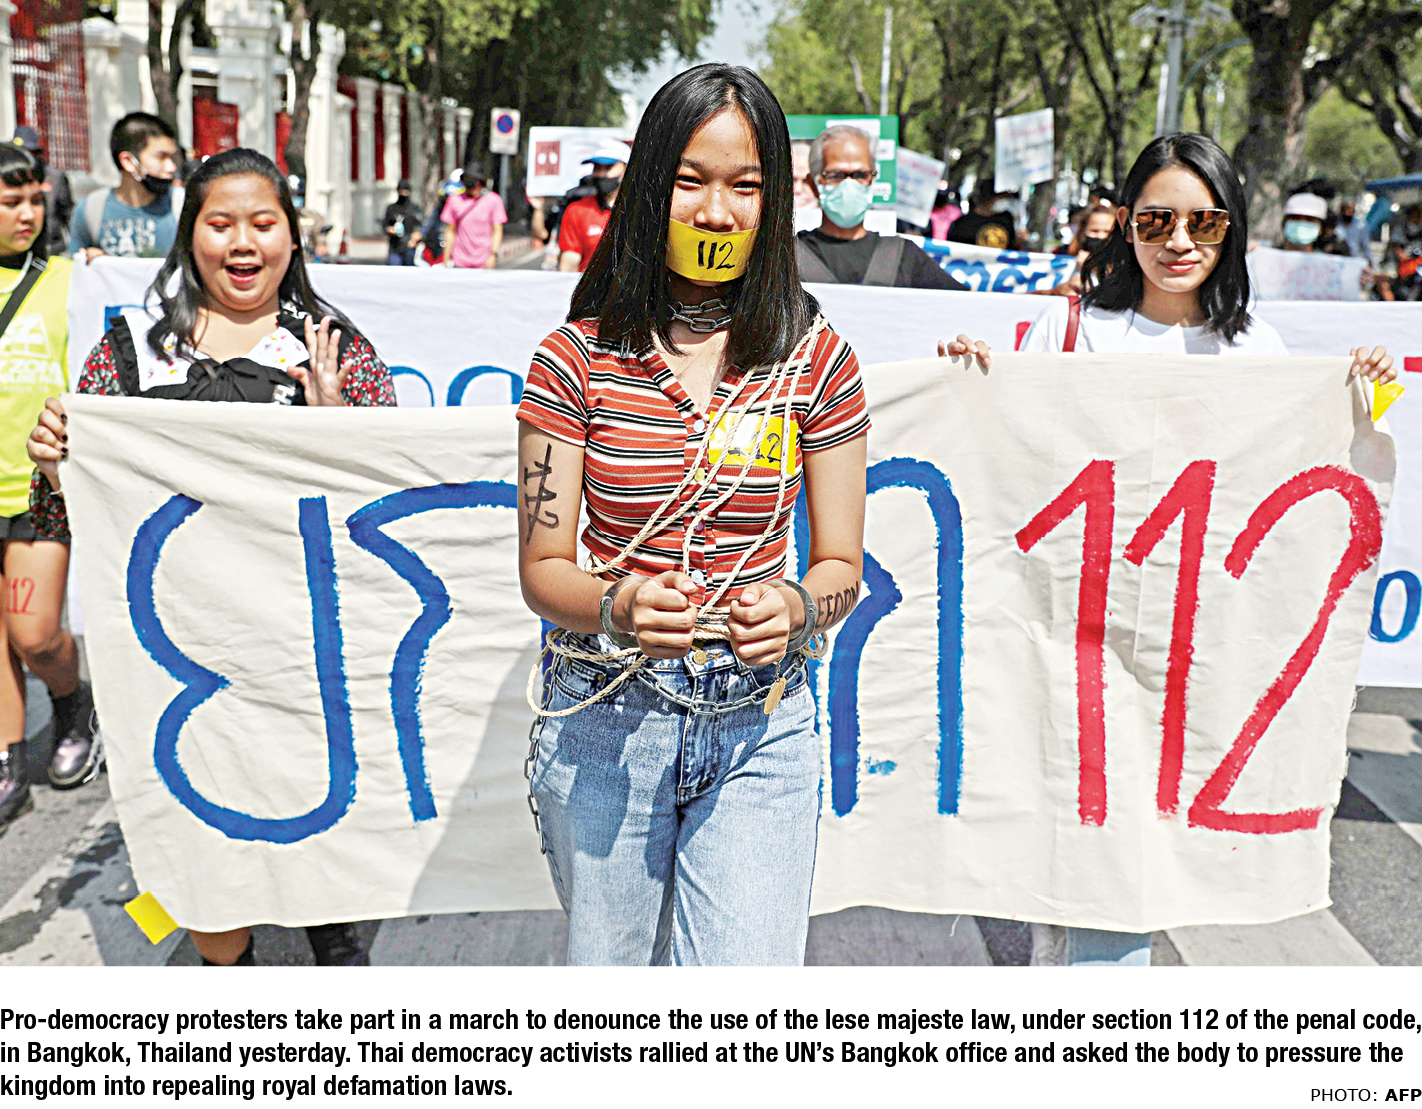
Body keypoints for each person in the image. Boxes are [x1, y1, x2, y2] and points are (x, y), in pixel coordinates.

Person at [517, 63, 987, 966]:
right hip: (603, 724)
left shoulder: (818, 359)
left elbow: (841, 564)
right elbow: (543, 571)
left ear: (776, 202)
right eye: (690, 180)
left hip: (761, 728)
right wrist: (617, 604)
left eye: (745, 185)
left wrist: (800, 606)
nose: (716, 211)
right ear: (647, 187)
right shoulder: (570, 360)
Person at [997, 133, 1393, 965]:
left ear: (1231, 229)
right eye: (1156, 220)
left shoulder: (1257, 354)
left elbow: (1305, 482)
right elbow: (1007, 458)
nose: (1179, 241)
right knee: (1071, 877)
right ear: (1125, 224)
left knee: (1120, 882)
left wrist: (1369, 395)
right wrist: (973, 379)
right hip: (1075, 644)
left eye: (1204, 223)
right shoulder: (1068, 329)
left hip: (1187, 659)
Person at [27, 147, 395, 964]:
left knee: (319, 815)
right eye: (220, 223)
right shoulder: (128, 351)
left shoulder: (335, 350)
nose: (242, 243)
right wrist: (58, 460)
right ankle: (226, 975)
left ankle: (336, 940)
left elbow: (383, 503)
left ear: (292, 237)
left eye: (263, 223)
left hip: (301, 647)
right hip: (176, 649)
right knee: (201, 837)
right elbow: (82, 503)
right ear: (189, 235)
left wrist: (342, 428)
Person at [0, 145, 98, 834]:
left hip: (38, 490)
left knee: (33, 636)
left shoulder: (71, 279)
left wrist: (102, 273)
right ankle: (7, 759)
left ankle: (71, 705)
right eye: (12, 202)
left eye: (36, 200)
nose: (28, 214)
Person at [796, 125, 967, 290]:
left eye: (861, 175)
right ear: (813, 184)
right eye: (835, 175)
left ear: (873, 180)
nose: (849, 184)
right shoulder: (789, 257)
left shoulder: (903, 257)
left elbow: (969, 304)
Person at [68, 112, 181, 262]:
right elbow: (73, 267)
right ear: (128, 161)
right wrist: (92, 260)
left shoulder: (182, 204)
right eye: (161, 157)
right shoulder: (90, 208)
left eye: (172, 157)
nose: (171, 167)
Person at [557, 141, 630, 272]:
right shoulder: (577, 210)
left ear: (626, 168)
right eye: (597, 168)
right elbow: (569, 264)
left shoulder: (640, 210)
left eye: (608, 167)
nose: (601, 174)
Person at [12, 127, 72, 257]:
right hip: (19, 248)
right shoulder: (8, 178)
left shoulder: (54, 177)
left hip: (51, 248)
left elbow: (68, 212)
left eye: (28, 153)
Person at [440, 161, 506, 269]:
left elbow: (497, 230)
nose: (473, 187)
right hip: (460, 262)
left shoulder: (494, 200)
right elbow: (450, 231)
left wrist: (493, 255)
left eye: (475, 183)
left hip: (484, 263)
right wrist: (446, 260)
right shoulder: (454, 200)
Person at [947, 182, 1017, 249]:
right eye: (1002, 197)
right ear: (990, 198)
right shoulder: (962, 224)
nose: (1006, 200)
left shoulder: (1006, 219)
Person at [381, 178, 421, 266]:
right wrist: (389, 229)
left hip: (410, 248)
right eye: (401, 191)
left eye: (405, 191)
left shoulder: (415, 209)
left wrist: (416, 237)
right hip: (395, 248)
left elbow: (421, 226)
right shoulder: (392, 208)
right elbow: (385, 225)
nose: (403, 193)